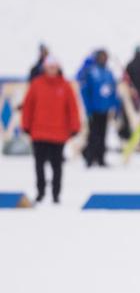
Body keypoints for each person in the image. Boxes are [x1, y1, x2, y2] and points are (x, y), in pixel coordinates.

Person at [20, 56, 81, 203]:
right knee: (39, 164)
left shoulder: (65, 86)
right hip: (39, 132)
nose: (52, 70)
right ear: (45, 68)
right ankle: (40, 191)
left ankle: (56, 193)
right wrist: (26, 125)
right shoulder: (36, 84)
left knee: (57, 165)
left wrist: (74, 126)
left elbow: (72, 108)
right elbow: (28, 106)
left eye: (54, 67)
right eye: (50, 67)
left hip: (58, 133)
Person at [78, 49, 120, 168]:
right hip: (94, 109)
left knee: (103, 135)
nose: (104, 59)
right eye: (101, 57)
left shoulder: (108, 73)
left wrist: (115, 106)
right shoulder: (90, 72)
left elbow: (113, 91)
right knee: (93, 135)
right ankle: (90, 158)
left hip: (105, 109)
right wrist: (88, 108)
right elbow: (85, 91)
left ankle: (101, 158)